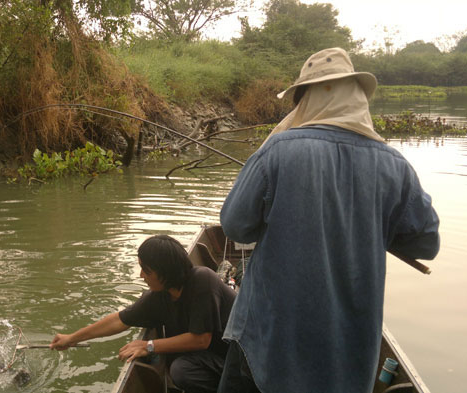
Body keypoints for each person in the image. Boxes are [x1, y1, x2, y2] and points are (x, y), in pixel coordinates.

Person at [217, 47, 440, 393]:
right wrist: (373, 223)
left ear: (305, 100)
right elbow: (427, 244)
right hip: (349, 353)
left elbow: (235, 225)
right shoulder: (395, 167)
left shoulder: (277, 151)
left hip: (270, 343)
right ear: (357, 99)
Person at [50, 234, 236, 393]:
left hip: (239, 361)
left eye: (146, 270)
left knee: (181, 370)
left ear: (166, 271)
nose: (141, 275)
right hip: (209, 360)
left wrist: (148, 345)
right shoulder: (160, 295)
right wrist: (72, 338)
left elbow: (201, 339)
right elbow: (118, 320)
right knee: (179, 368)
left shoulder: (203, 280)